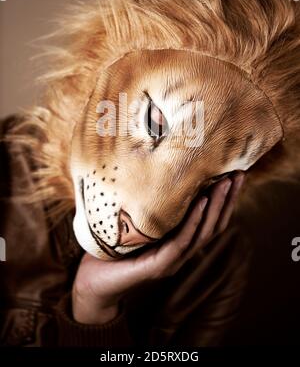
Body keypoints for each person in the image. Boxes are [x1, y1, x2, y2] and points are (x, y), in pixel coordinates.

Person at [0, 114, 250, 347]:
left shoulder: (219, 258)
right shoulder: (7, 160)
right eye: (155, 128)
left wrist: (94, 307)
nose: (142, 223)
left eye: (220, 157)